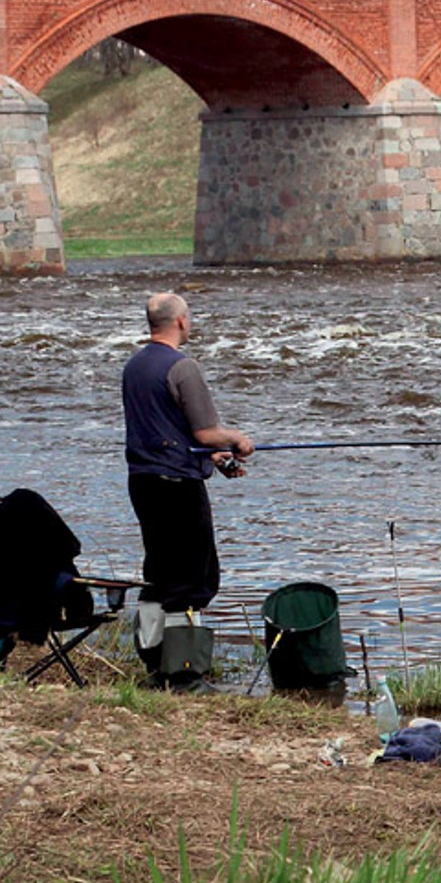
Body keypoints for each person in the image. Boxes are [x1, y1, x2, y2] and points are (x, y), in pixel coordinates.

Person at [122, 292, 253, 681]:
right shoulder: (183, 368)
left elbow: (164, 432)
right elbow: (205, 431)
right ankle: (182, 672)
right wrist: (237, 441)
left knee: (158, 573)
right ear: (180, 321)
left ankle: (152, 659)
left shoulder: (134, 366)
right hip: (178, 487)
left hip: (143, 482)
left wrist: (208, 458)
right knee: (195, 577)